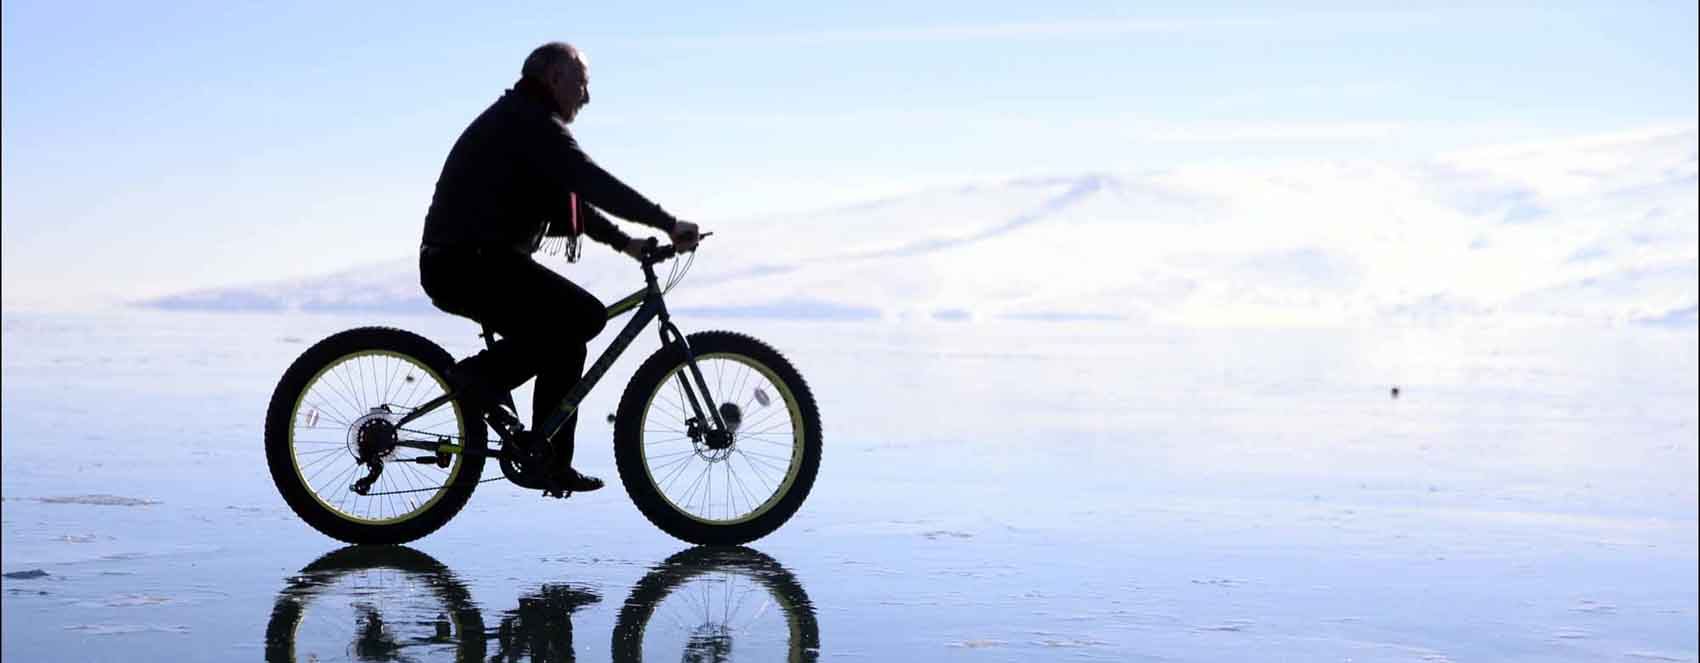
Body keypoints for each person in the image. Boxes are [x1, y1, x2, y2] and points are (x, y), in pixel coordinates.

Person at [419, 42, 699, 494]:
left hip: (469, 262)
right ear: (554, 77)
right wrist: (667, 222)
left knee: (567, 340)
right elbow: (589, 179)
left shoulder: (523, 122)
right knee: (584, 316)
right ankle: (479, 376)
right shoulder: (530, 122)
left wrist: (626, 243)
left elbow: (568, 202)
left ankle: (548, 462)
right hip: (468, 263)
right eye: (582, 84)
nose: (586, 97)